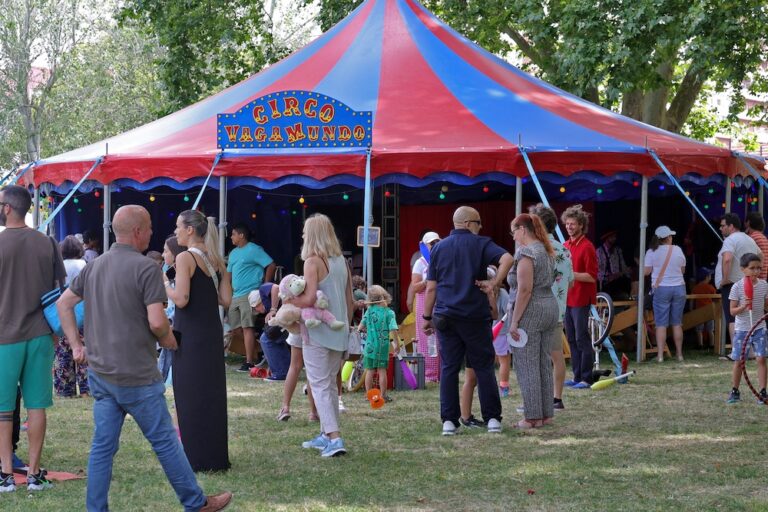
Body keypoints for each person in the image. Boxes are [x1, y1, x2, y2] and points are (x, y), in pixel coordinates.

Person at [56, 205, 232, 511]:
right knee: (165, 442)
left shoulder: (94, 266)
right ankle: (195, 502)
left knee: (102, 448)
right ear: (137, 232)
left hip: (101, 373)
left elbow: (63, 304)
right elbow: (156, 321)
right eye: (149, 227)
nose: (153, 232)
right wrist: (169, 341)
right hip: (137, 373)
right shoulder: (146, 268)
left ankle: (95, 508)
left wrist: (76, 346)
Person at [423, 206, 514, 436]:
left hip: (445, 316)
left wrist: (426, 316)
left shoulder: (438, 248)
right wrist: (494, 284)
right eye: (479, 222)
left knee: (449, 368)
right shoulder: (481, 243)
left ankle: (449, 422)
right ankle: (492, 418)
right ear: (468, 223)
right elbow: (508, 258)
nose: (481, 226)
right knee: (483, 367)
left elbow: (431, 287)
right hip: (475, 316)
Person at [0, 185, 65, 493]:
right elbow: (59, 291)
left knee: (3, 409)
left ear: (8, 208)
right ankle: (35, 475)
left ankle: (5, 476)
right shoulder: (48, 243)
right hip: (41, 334)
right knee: (36, 406)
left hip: (4, 336)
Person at [165, 210, 232, 472]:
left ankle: (194, 457)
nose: (176, 232)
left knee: (189, 392)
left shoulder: (185, 257)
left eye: (178, 227)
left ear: (191, 229)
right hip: (211, 333)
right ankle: (215, 454)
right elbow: (225, 300)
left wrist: (164, 287)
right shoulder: (218, 260)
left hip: (190, 333)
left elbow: (181, 299)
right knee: (212, 393)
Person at [288, 214, 353, 457]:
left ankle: (334, 438)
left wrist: (288, 299)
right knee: (330, 385)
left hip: (317, 332)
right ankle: (327, 434)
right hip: (339, 329)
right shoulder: (341, 261)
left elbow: (308, 298)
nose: (303, 235)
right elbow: (349, 300)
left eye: (305, 231)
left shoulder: (312, 262)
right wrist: (347, 326)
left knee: (319, 384)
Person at [506, 214, 559, 428]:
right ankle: (546, 413)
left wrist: (514, 321)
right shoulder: (546, 251)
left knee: (527, 364)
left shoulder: (526, 253)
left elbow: (525, 290)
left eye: (513, 232)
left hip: (532, 310)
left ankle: (532, 416)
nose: (513, 237)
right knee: (543, 362)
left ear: (522, 229)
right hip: (549, 306)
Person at [529, 203, 573, 410]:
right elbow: (570, 281)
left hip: (537, 310)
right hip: (557, 310)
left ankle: (538, 400)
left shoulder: (534, 250)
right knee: (557, 356)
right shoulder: (564, 249)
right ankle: (556, 398)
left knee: (537, 358)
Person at [227, 223, 275, 372]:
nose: (231, 237)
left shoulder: (254, 249)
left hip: (249, 294)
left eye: (233, 234)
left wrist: (265, 285)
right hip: (235, 295)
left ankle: (249, 361)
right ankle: (259, 351)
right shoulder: (233, 253)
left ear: (241, 235)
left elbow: (271, 264)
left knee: (247, 327)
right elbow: (229, 274)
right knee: (235, 330)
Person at [561, 205, 597, 388]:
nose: (569, 227)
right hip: (567, 298)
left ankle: (586, 377)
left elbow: (591, 276)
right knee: (572, 339)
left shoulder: (587, 247)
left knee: (582, 338)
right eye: (567, 224)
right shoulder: (565, 246)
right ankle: (576, 376)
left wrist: (570, 274)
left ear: (581, 225)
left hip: (581, 298)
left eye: (572, 224)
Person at [726, 253, 768, 404]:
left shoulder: (764, 285)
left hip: (759, 327)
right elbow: (731, 311)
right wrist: (743, 306)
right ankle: (735, 391)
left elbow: (766, 305)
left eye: (759, 268)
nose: (756, 271)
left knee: (761, 358)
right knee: (739, 360)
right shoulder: (737, 287)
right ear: (743, 269)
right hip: (742, 329)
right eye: (752, 268)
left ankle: (763, 391)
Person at [644, 226, 687, 362]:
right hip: (679, 287)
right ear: (668, 238)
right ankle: (679, 355)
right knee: (677, 323)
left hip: (661, 288)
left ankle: (661, 356)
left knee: (661, 324)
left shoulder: (651, 251)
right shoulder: (678, 249)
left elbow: (646, 272)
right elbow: (683, 270)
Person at [716, 213, 760, 344]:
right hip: (747, 283)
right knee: (746, 317)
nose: (720, 228)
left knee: (733, 318)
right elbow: (761, 255)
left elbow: (727, 259)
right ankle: (749, 351)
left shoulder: (730, 240)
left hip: (731, 284)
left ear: (731, 226)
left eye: (723, 226)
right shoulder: (749, 239)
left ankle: (737, 351)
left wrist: (724, 279)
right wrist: (756, 273)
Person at [54, 235, 89, 398]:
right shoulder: (83, 264)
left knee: (63, 353)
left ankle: (65, 389)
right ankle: (86, 389)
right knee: (83, 348)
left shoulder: (58, 265)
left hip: (63, 312)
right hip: (82, 311)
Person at [408, 231, 441, 382]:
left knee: (442, 337)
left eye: (437, 242)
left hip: (441, 302)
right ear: (425, 245)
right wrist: (426, 282)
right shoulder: (420, 263)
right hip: (424, 302)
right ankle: (428, 374)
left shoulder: (443, 259)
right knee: (425, 337)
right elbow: (414, 287)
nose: (434, 246)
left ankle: (441, 373)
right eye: (431, 243)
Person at [358, 285, 400, 399]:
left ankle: (369, 395)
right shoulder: (389, 313)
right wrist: (397, 344)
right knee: (382, 371)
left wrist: (369, 329)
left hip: (370, 346)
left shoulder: (369, 311)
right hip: (382, 346)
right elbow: (393, 330)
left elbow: (360, 327)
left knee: (370, 370)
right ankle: (383, 395)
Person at [249, 284, 291, 381]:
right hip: (290, 315)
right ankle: (285, 371)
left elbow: (276, 287)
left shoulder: (262, 290)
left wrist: (273, 309)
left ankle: (280, 373)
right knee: (276, 339)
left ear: (258, 302)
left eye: (255, 308)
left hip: (291, 313)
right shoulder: (267, 302)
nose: (258, 311)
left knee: (266, 339)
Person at [158, 236, 183, 382]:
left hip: (178, 328)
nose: (163, 254)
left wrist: (166, 283)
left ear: (174, 254)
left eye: (165, 251)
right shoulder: (172, 272)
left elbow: (178, 302)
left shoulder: (181, 275)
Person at [597, 229, 631, 299]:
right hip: (606, 283)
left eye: (615, 237)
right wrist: (608, 277)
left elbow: (623, 265)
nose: (614, 238)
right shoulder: (599, 252)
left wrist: (627, 273)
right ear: (607, 238)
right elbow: (597, 271)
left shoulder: (618, 250)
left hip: (619, 281)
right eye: (612, 237)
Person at [692, 268, 716, 349]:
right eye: (710, 276)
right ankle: (712, 345)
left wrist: (691, 310)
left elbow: (692, 301)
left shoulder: (695, 288)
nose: (711, 277)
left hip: (698, 311)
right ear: (706, 277)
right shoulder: (711, 288)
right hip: (710, 311)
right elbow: (715, 299)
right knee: (710, 329)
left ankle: (700, 345)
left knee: (699, 330)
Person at [745, 212, 768, 280]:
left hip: (754, 278)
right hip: (762, 277)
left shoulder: (752, 238)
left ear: (748, 222)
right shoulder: (763, 237)